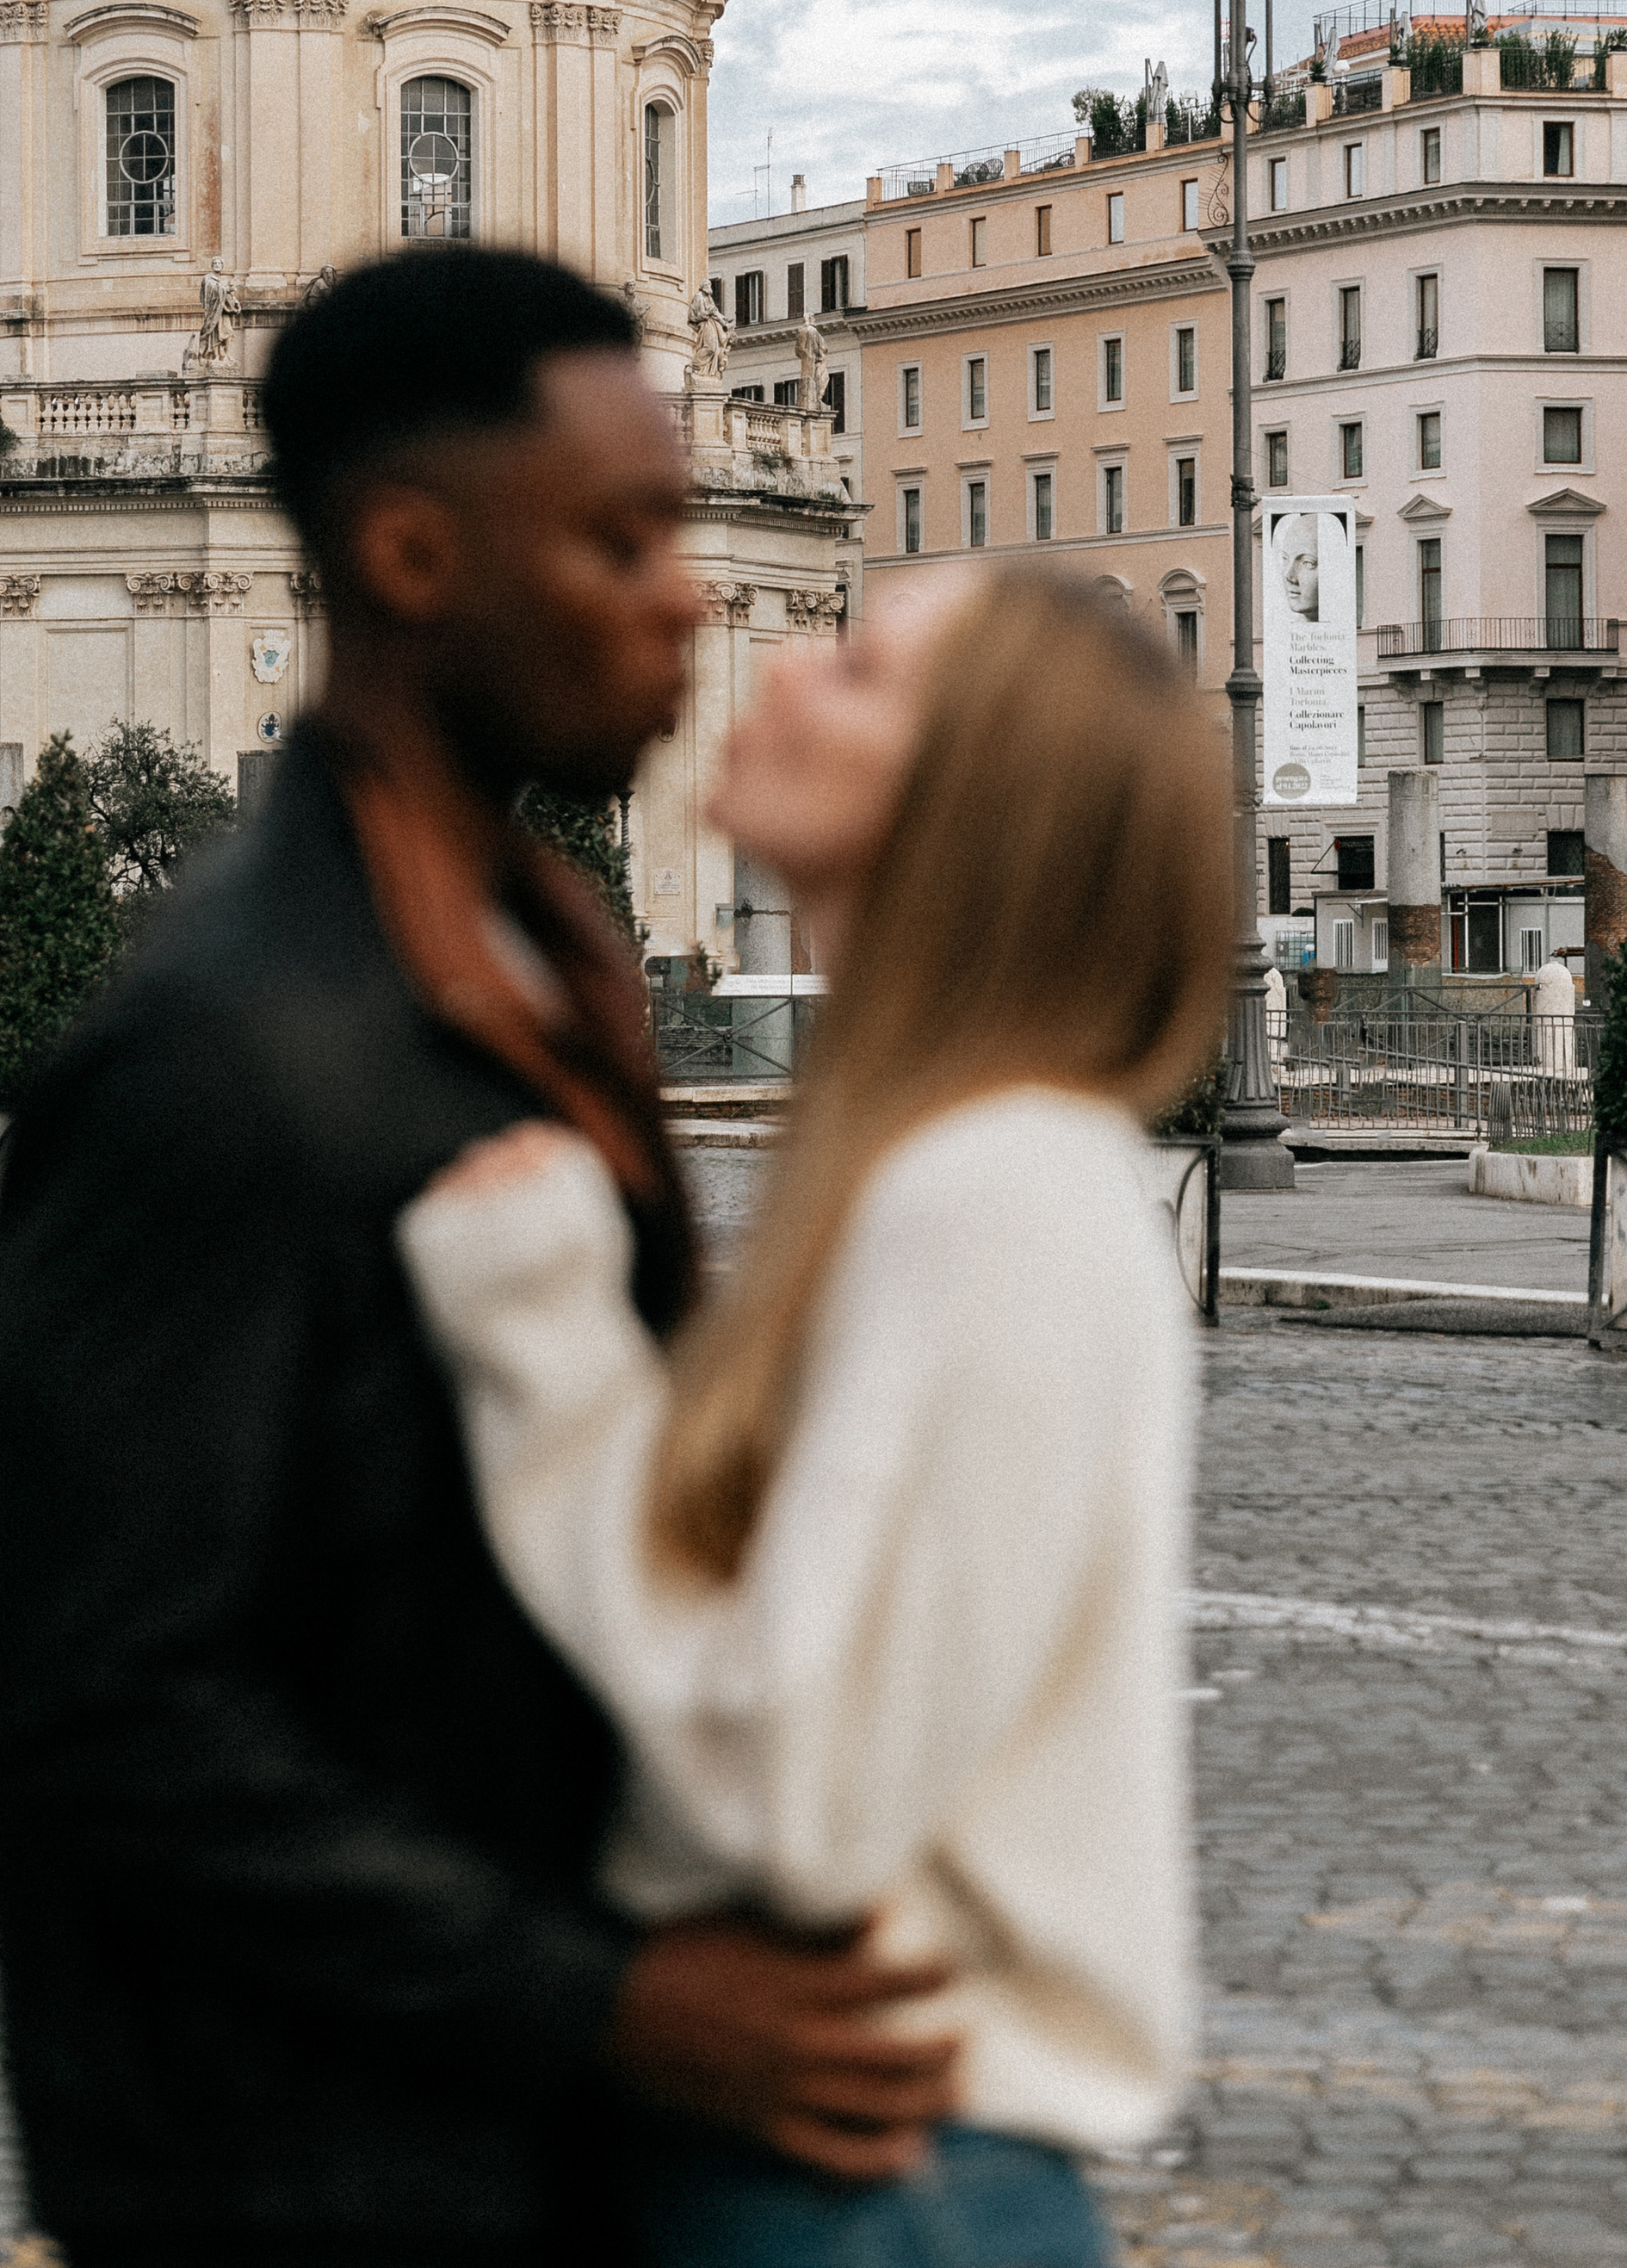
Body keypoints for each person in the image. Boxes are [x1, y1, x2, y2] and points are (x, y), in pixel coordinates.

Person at [0, 247, 959, 2268]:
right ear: (410, 554)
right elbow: (92, 1708)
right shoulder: (220, 1064)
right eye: (617, 536)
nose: (688, 590)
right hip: (302, 2172)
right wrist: (600, 1997)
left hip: (503, 2140)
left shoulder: (533, 954)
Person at [401, 563, 1234, 2267]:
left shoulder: (997, 1194)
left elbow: (791, 1784)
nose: (775, 668)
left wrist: (543, 1348)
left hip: (865, 2186)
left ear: (969, 813)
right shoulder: (944, 1170)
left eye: (852, 673)